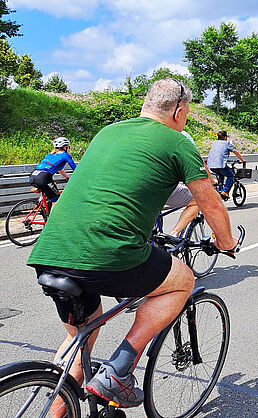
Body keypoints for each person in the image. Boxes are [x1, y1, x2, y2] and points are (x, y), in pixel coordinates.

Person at [27, 78, 239, 408]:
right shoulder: (176, 142)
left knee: (79, 336)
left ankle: (56, 405)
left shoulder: (107, 132)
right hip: (108, 252)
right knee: (182, 280)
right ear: (180, 112)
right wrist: (226, 242)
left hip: (50, 249)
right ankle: (119, 371)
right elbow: (209, 201)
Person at [165, 131, 217, 237]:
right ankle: (174, 234)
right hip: (167, 185)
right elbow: (197, 160)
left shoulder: (147, 132)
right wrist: (211, 181)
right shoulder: (182, 135)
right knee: (198, 200)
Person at [29, 137, 76, 203]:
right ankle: (53, 212)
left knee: (52, 185)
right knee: (56, 200)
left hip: (33, 176)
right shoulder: (65, 155)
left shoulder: (51, 154)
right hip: (43, 177)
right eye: (69, 147)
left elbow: (60, 170)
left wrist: (67, 178)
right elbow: (75, 169)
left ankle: (40, 204)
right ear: (65, 147)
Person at [207, 130, 245, 199]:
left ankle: (219, 191)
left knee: (221, 176)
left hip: (211, 165)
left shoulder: (214, 143)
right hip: (220, 165)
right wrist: (242, 160)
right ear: (225, 137)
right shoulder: (226, 144)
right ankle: (225, 191)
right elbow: (235, 152)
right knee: (231, 175)